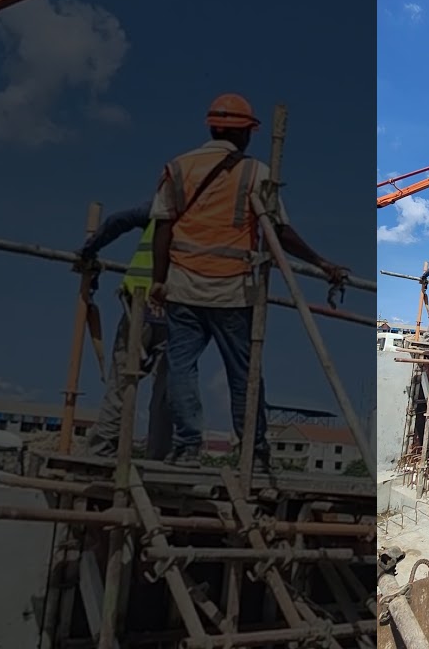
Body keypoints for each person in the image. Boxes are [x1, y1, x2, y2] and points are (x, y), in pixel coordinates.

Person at [148, 93, 349, 469]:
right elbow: (280, 232)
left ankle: (188, 446)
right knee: (244, 374)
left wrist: (159, 281)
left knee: (181, 368)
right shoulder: (255, 172)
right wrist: (322, 263)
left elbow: (161, 228)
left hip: (183, 288)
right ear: (246, 133)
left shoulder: (178, 167)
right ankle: (254, 452)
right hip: (232, 289)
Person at [74, 201, 171, 460]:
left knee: (121, 381)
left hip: (141, 304)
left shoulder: (162, 207)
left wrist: (89, 250)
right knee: (167, 389)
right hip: (179, 310)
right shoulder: (208, 216)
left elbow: (117, 221)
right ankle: (158, 456)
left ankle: (101, 449)